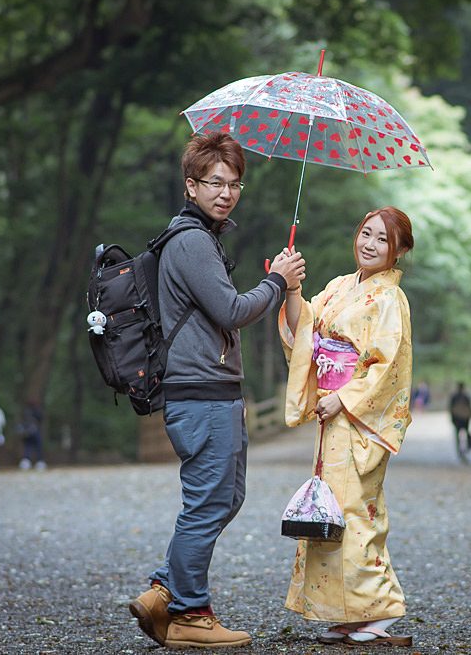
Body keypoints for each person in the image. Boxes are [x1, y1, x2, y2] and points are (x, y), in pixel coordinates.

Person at [128, 132, 305, 650]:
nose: (226, 193)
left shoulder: (198, 238)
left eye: (234, 184)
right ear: (191, 185)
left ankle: (165, 589)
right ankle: (189, 613)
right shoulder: (190, 241)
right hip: (202, 394)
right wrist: (276, 281)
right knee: (208, 504)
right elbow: (232, 311)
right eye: (215, 183)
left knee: (226, 496)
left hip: (210, 391)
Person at [278, 206, 414, 647]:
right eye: (366, 233)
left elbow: (388, 365)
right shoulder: (338, 287)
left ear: (399, 251)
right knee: (331, 511)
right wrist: (292, 288)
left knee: (357, 513)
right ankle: (349, 612)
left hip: (358, 419)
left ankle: (379, 610)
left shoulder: (390, 299)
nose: (369, 244)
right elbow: (304, 333)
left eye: (382, 240)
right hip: (331, 417)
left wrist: (345, 397)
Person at [449, 382, 471, 463]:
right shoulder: (466, 397)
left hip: (457, 420)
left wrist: (452, 419)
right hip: (465, 419)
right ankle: (465, 451)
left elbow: (451, 409)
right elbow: (470, 408)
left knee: (458, 437)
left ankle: (460, 452)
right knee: (466, 436)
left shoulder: (455, 397)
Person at [18, 400, 46, 470]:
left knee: (28, 447)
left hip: (28, 433)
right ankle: (38, 462)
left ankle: (28, 462)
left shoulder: (25, 411)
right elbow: (41, 419)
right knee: (36, 447)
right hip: (34, 433)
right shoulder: (36, 411)